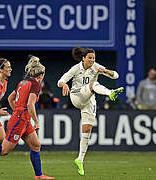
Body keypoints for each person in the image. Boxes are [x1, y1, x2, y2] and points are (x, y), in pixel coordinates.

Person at [57, 47, 123, 176]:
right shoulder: (76, 68)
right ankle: (110, 93)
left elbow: (116, 76)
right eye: (90, 58)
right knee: (94, 85)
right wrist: (64, 85)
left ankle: (80, 159)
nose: (92, 60)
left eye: (93, 58)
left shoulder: (96, 67)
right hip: (76, 96)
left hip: (89, 99)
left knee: (87, 129)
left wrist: (106, 71)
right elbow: (61, 80)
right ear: (83, 58)